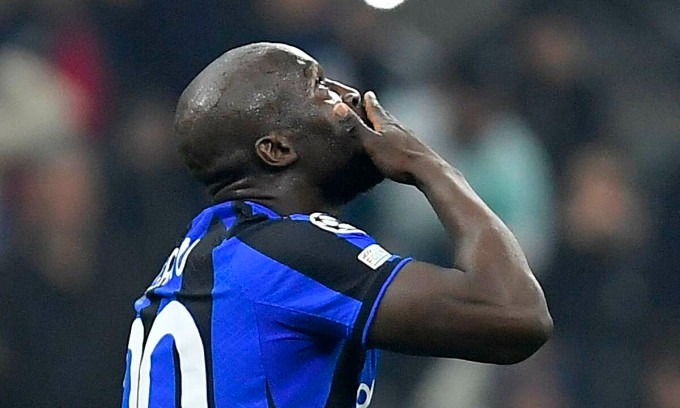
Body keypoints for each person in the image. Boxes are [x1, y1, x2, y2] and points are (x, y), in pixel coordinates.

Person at [121, 42, 552, 408]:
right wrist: (427, 164)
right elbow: (515, 313)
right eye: (321, 88)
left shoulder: (196, 262)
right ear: (277, 149)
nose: (352, 97)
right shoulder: (286, 253)